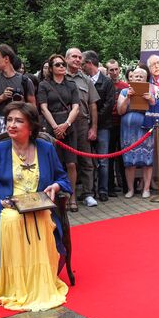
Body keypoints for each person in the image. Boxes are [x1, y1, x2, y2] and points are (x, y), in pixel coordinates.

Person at [0, 101, 72, 311]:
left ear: (31, 127)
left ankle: (36, 280)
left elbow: (63, 178)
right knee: (13, 220)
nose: (12, 125)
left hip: (39, 206)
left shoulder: (45, 149)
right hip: (5, 206)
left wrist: (55, 186)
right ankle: (14, 283)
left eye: (19, 121)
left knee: (41, 218)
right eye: (9, 120)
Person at [37, 54, 80, 212]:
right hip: (51, 126)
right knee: (53, 164)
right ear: (51, 68)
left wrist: (66, 124)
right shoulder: (44, 85)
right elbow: (43, 107)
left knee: (71, 163)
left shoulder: (71, 84)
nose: (62, 67)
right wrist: (55, 127)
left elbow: (76, 107)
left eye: (63, 64)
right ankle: (53, 197)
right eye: (58, 65)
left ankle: (72, 196)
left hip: (69, 124)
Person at [65, 47, 100, 208]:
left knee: (86, 160)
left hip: (82, 124)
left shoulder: (85, 80)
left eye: (80, 57)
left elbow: (93, 105)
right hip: (62, 124)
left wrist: (93, 127)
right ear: (66, 59)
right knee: (65, 161)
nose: (77, 60)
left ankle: (87, 194)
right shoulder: (58, 77)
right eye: (74, 56)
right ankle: (65, 193)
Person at [117, 67, 158, 199]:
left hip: (145, 130)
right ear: (131, 78)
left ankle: (146, 189)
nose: (139, 78)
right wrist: (127, 98)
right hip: (128, 132)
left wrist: (151, 100)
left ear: (146, 79)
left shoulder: (152, 91)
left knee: (147, 161)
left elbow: (157, 110)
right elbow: (120, 111)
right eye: (136, 76)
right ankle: (130, 189)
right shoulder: (124, 91)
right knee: (129, 161)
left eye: (142, 76)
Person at [82, 50, 116, 202]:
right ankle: (89, 191)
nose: (81, 66)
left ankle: (103, 190)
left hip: (103, 126)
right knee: (87, 161)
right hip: (85, 125)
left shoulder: (107, 82)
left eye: (83, 63)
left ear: (89, 63)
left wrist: (94, 120)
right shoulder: (82, 80)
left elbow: (109, 104)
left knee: (103, 160)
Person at [0, 44, 36, 115]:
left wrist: (22, 103)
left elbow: (33, 108)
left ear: (6, 59)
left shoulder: (25, 81)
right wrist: (2, 97)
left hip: (18, 122)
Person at [106, 59, 130, 195]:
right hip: (109, 125)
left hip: (122, 125)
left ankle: (127, 186)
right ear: (107, 71)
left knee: (123, 157)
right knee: (109, 157)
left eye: (116, 69)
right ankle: (110, 187)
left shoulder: (125, 86)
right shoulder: (105, 84)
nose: (114, 72)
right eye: (111, 70)